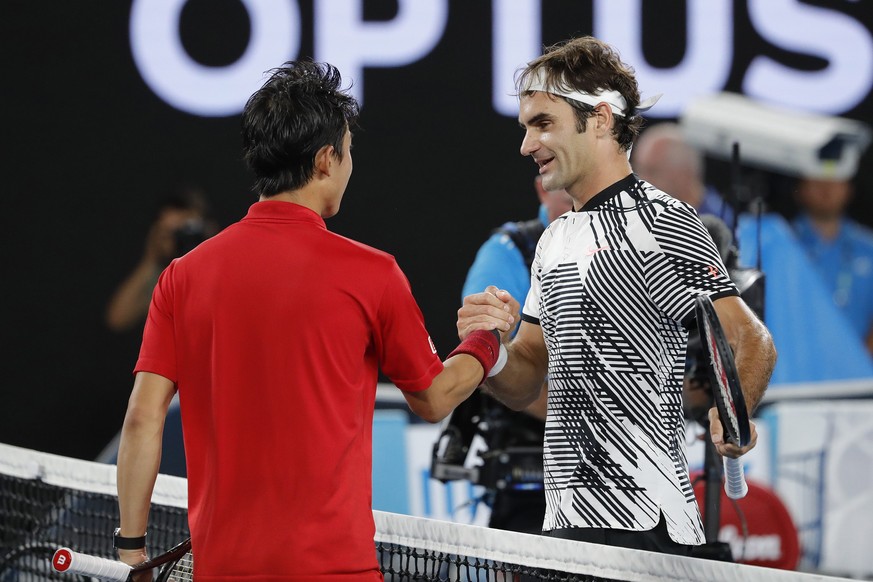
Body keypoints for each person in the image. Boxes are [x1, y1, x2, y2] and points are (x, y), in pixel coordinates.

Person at [114, 60, 514, 581]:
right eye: (349, 153)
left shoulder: (181, 277)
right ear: (326, 159)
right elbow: (434, 397)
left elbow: (143, 419)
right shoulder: (373, 273)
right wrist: (487, 342)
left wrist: (132, 551)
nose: (350, 166)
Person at [457, 36, 776, 556]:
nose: (526, 145)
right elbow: (529, 372)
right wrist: (492, 352)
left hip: (648, 531)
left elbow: (753, 340)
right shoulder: (556, 239)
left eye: (544, 124)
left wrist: (733, 406)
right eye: (526, 127)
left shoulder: (665, 222)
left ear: (600, 119)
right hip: (566, 529)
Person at [443, 175, 571, 533]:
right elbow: (479, 358)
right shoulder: (508, 252)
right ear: (542, 189)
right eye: (567, 190)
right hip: (531, 480)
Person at [105, 188, 214, 332]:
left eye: (186, 230)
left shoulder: (226, 266)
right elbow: (117, 318)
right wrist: (151, 258)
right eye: (170, 234)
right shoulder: (166, 282)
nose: (180, 240)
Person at [792, 175, 873, 355]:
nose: (826, 187)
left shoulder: (869, 248)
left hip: (859, 373)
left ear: (849, 188)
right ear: (800, 189)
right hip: (797, 371)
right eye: (816, 178)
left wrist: (862, 366)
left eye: (836, 178)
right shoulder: (782, 246)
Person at [631, 121, 734, 226]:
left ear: (683, 175)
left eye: (652, 171)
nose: (640, 181)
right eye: (638, 170)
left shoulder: (720, 226)